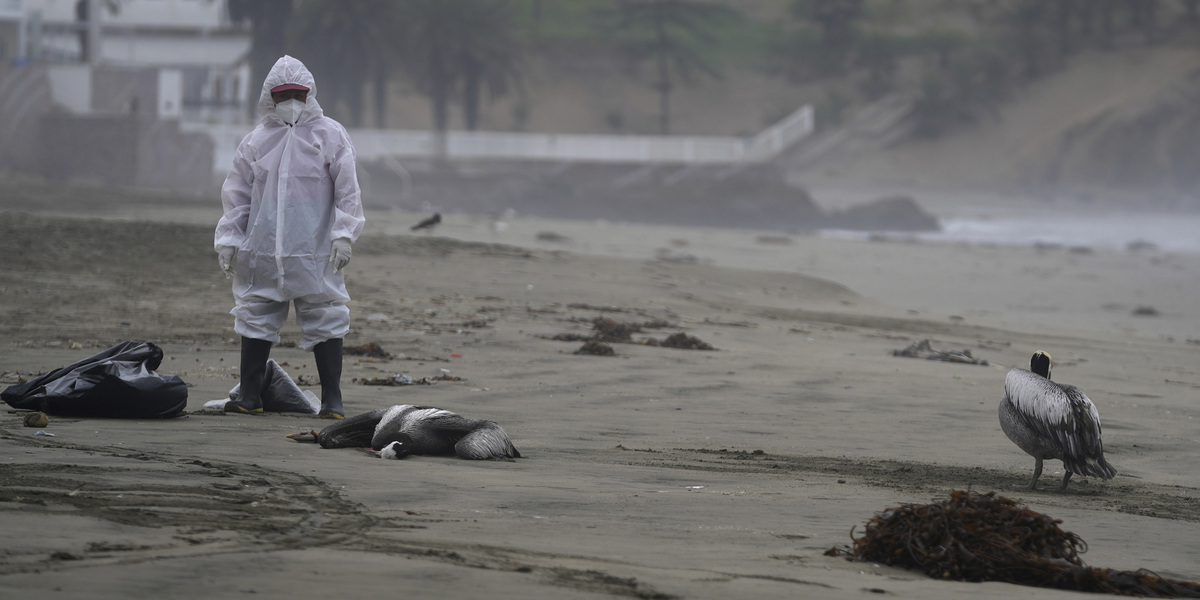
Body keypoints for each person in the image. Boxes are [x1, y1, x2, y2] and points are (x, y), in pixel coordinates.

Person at [214, 55, 365, 419]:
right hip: (263, 249)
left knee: (326, 314)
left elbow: (348, 191)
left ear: (309, 93)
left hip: (313, 251)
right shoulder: (256, 141)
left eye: (298, 93)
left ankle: (332, 400)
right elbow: (237, 195)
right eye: (284, 95)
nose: (292, 101)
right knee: (256, 314)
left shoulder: (330, 135)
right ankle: (249, 394)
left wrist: (344, 234)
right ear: (271, 97)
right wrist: (229, 239)